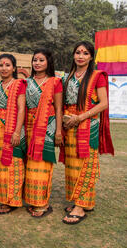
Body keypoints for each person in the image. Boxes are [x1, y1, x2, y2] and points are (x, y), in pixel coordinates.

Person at [61, 41, 114, 225]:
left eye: (85, 53)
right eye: (77, 52)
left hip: (87, 126)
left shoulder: (97, 76)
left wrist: (81, 117)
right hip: (70, 126)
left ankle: (81, 207)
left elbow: (103, 103)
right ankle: (79, 201)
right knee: (72, 166)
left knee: (86, 165)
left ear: (91, 56)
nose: (80, 56)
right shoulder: (68, 78)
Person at [24, 49, 63, 218]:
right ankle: (32, 200)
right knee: (30, 165)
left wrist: (59, 131)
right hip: (29, 126)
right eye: (35, 60)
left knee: (42, 165)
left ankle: (43, 203)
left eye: (41, 60)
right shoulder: (26, 82)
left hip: (47, 126)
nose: (37, 63)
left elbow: (59, 108)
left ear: (48, 62)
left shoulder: (55, 82)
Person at [0, 54, 27, 214]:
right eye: (1, 65)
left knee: (14, 164)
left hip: (12, 127)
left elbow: (21, 108)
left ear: (14, 68)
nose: (4, 68)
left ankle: (13, 199)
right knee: (0, 165)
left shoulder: (18, 84)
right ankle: (3, 199)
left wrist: (17, 132)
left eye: (7, 65)